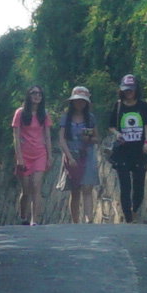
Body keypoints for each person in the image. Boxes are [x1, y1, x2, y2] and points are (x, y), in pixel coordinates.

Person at [107, 72, 147, 224]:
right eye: (126, 89)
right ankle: (128, 218)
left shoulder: (143, 106)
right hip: (122, 151)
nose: (128, 92)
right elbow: (111, 126)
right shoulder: (118, 105)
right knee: (125, 186)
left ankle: (134, 211)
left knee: (139, 186)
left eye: (131, 89)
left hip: (139, 151)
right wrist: (117, 134)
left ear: (136, 89)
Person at [58, 86, 100, 222]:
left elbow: (97, 138)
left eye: (83, 101)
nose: (80, 103)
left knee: (87, 187)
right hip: (72, 156)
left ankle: (89, 219)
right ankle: (75, 221)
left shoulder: (90, 118)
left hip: (87, 155)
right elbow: (62, 138)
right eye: (77, 100)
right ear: (72, 102)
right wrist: (69, 157)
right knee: (75, 191)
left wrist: (88, 139)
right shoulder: (66, 118)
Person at [11, 90, 52, 225]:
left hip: (40, 153)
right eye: (34, 93)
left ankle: (35, 219)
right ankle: (23, 215)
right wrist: (19, 158)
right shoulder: (20, 113)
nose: (37, 96)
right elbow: (16, 137)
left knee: (36, 185)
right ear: (28, 96)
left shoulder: (44, 114)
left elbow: (47, 136)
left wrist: (49, 156)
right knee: (26, 189)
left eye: (40, 94)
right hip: (24, 154)